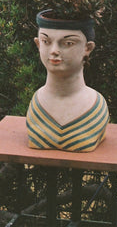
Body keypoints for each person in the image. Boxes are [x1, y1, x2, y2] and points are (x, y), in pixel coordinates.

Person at [26, 10, 109, 152]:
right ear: (38, 44)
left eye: (68, 43)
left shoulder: (96, 108)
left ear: (87, 48)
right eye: (46, 41)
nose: (54, 50)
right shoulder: (36, 107)